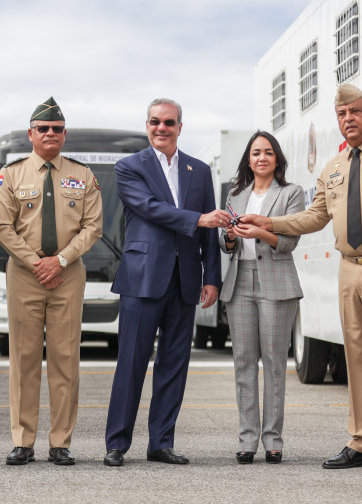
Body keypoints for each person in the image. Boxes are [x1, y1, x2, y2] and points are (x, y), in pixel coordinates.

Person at [242, 84, 362, 473]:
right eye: (342, 114)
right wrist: (269, 222)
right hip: (349, 269)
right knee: (357, 359)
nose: (349, 119)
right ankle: (361, 443)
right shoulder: (334, 167)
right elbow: (314, 217)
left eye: (355, 112)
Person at [103, 98, 232, 467]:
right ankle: (117, 444)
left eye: (169, 122)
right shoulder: (129, 166)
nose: (162, 128)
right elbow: (148, 208)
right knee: (131, 363)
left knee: (174, 365)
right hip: (142, 278)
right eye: (155, 121)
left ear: (179, 127)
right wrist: (198, 219)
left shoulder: (199, 170)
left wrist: (212, 278)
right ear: (147, 125)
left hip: (185, 281)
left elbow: (209, 231)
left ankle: (161, 443)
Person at [0, 97, 102, 467]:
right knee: (23, 359)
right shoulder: (11, 174)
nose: (50, 133)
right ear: (31, 134)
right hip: (25, 274)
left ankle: (60, 443)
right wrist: (36, 263)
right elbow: (2, 226)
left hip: (68, 275)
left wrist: (61, 261)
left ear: (64, 134)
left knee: (65, 359)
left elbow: (93, 227)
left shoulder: (82, 175)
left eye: (57, 129)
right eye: (43, 129)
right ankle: (22, 441)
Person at [220, 131, 303, 465]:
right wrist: (229, 237)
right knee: (243, 362)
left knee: (273, 363)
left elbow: (290, 241)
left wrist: (261, 232)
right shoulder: (235, 194)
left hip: (276, 281)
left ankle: (273, 441)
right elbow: (225, 245)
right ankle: (246, 440)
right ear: (249, 159)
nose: (262, 158)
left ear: (276, 158)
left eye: (268, 152)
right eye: (256, 153)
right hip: (240, 280)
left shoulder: (290, 193)